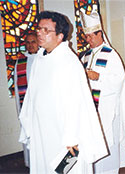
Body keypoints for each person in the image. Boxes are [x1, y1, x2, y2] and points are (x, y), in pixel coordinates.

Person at [18, 11, 108, 174]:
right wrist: (29, 122)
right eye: (39, 29)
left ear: (60, 36)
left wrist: (71, 138)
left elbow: (76, 103)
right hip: (43, 130)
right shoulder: (40, 58)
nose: (39, 33)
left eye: (46, 30)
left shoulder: (69, 62)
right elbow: (32, 96)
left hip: (64, 135)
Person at [80, 9, 125, 174]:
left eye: (90, 36)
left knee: (107, 143)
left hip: (107, 108)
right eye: (86, 36)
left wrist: (98, 78)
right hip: (92, 108)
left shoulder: (111, 55)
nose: (87, 40)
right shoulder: (86, 55)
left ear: (99, 34)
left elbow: (119, 81)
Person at [14, 32, 39, 167]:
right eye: (28, 42)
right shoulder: (20, 62)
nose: (30, 45)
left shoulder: (43, 59)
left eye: (33, 42)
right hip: (27, 108)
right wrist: (20, 110)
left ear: (38, 42)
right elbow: (18, 91)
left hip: (40, 107)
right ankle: (30, 164)